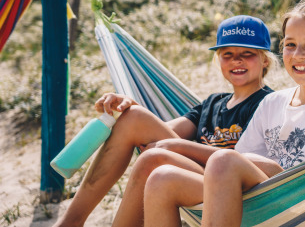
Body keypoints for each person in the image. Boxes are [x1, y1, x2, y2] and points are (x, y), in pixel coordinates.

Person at [142, 0, 305, 227]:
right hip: (253, 203)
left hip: (297, 213)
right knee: (162, 179)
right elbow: (235, 165)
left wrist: (178, 147)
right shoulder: (272, 103)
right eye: (290, 44)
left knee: (225, 159)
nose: (298, 54)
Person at [53, 15, 277, 227]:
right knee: (132, 119)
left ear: (265, 60)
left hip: (232, 186)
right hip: (195, 173)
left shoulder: (268, 103)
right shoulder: (213, 103)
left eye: (247, 53)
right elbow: (159, 132)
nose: (236, 60)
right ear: (218, 59)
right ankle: (71, 222)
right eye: (227, 54)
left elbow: (247, 163)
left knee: (154, 158)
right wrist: (126, 108)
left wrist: (173, 146)